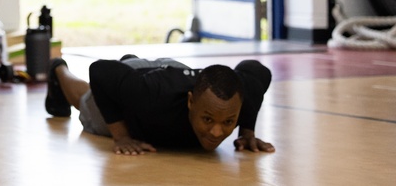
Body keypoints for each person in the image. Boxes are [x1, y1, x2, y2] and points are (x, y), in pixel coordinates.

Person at [44, 55, 276, 155]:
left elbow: (257, 70)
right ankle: (58, 69)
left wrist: (247, 131)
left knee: (129, 85)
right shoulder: (152, 99)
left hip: (162, 73)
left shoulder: (237, 97)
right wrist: (121, 136)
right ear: (190, 101)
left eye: (228, 122)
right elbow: (100, 70)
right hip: (145, 81)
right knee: (87, 105)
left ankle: (127, 67)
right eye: (207, 119)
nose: (217, 132)